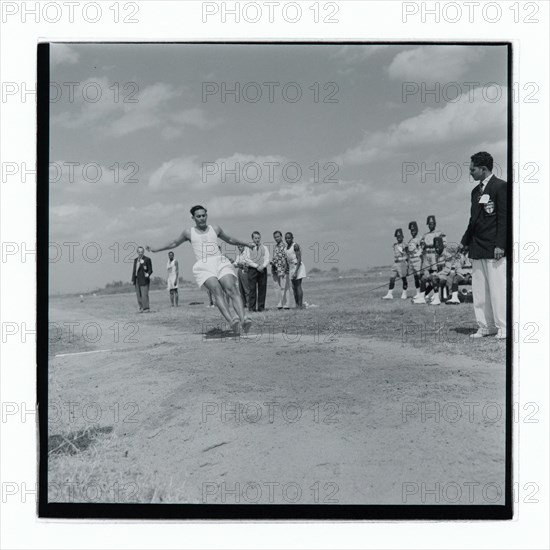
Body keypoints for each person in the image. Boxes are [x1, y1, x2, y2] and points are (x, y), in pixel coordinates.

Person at [146, 205, 253, 333]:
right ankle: (232, 321)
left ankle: (243, 319)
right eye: (198, 216)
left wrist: (246, 243)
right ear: (193, 218)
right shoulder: (188, 232)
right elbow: (174, 243)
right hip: (203, 266)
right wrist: (156, 249)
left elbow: (229, 239)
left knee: (231, 288)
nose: (202, 218)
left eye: (204, 215)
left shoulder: (215, 229)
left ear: (206, 215)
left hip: (219, 261)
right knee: (217, 290)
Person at [459, 151, 507, 339]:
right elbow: (474, 220)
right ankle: (486, 326)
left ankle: (503, 326)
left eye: (473, 169)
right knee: (480, 291)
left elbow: (503, 219)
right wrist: (464, 242)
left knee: (498, 289)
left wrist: (500, 245)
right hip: (476, 247)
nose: (470, 172)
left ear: (483, 169)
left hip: (494, 248)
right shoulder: (474, 192)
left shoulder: (500, 187)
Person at [414, 236, 453, 305]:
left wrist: (437, 274)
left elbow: (447, 269)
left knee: (434, 278)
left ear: (441, 245)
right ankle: (421, 298)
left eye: (438, 247)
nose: (437, 249)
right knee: (423, 278)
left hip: (447, 277)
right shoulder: (436, 255)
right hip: (439, 275)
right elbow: (435, 268)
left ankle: (437, 299)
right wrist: (430, 273)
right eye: (435, 247)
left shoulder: (447, 254)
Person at [247, 231, 270, 312]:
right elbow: (247, 259)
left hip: (262, 270)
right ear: (252, 238)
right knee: (252, 289)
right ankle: (252, 308)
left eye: (258, 238)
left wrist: (263, 266)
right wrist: (257, 266)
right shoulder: (248, 247)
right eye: (255, 238)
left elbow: (267, 258)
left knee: (262, 289)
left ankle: (261, 307)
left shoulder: (265, 247)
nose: (257, 240)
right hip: (252, 270)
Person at [382, 228, 408, 300]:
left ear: (402, 236)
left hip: (402, 263)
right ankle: (389, 294)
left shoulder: (405, 245)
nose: (398, 238)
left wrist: (407, 264)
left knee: (404, 279)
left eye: (400, 236)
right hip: (395, 264)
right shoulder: (395, 245)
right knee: (392, 278)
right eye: (397, 237)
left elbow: (407, 254)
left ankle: (404, 293)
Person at [285, 232, 306, 309]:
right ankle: (296, 304)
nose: (287, 239)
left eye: (289, 238)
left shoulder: (295, 246)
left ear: (292, 238)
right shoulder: (286, 247)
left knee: (298, 285)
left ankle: (300, 305)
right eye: (286, 238)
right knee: (293, 287)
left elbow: (299, 258)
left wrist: (296, 271)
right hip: (291, 267)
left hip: (297, 266)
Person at [271, 230, 290, 309]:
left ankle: (286, 304)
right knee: (277, 288)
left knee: (284, 287)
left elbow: (287, 259)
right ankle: (280, 303)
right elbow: (274, 258)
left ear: (281, 236)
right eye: (275, 237)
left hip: (283, 269)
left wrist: (285, 269)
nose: (276, 238)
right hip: (275, 269)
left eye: (278, 236)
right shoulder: (275, 247)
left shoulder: (285, 246)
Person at [131, 246, 153, 312]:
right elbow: (134, 270)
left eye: (141, 252)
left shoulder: (147, 259)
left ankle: (146, 308)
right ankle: (141, 307)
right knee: (138, 294)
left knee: (144, 294)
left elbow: (150, 270)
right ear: (137, 252)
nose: (140, 253)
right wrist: (133, 279)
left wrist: (148, 274)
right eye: (139, 252)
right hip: (137, 279)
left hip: (144, 279)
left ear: (143, 252)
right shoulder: (135, 260)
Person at [406, 221, 423, 297]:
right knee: (415, 278)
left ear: (417, 230)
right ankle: (418, 293)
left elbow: (422, 247)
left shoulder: (419, 239)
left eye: (414, 231)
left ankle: (424, 292)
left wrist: (420, 253)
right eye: (411, 231)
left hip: (418, 260)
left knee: (421, 277)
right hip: (412, 261)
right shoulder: (410, 241)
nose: (413, 232)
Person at [232, 244, 251, 309]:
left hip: (245, 270)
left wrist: (240, 264)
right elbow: (235, 264)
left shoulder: (247, 253)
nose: (240, 248)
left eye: (241, 247)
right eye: (238, 247)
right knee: (241, 288)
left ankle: (249, 303)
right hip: (239, 270)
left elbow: (246, 263)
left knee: (246, 288)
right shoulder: (239, 255)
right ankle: (243, 303)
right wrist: (239, 264)